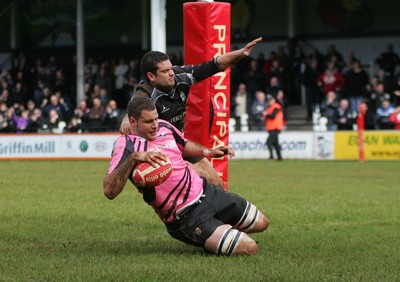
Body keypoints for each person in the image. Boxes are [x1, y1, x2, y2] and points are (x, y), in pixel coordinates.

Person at [103, 96, 269, 256]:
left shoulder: (164, 126)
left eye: (155, 119)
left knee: (262, 223)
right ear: (132, 122)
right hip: (186, 217)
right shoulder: (125, 145)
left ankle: (221, 231)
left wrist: (208, 151)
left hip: (207, 191)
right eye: (148, 122)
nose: (155, 125)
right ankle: (215, 233)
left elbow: (183, 144)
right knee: (250, 248)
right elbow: (109, 191)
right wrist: (133, 158)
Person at [119, 37, 262, 187]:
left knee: (217, 184)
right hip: (160, 152)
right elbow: (132, 113)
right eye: (165, 71)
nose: (171, 73)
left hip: (180, 144)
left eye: (171, 68)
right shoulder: (145, 94)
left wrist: (241, 52)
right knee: (200, 181)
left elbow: (214, 65)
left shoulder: (181, 76)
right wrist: (126, 120)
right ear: (151, 76)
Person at [262, 95, 284, 160]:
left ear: (274, 100)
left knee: (269, 142)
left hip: (275, 127)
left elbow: (273, 116)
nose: (269, 102)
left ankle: (271, 157)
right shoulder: (269, 108)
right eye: (268, 101)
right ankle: (280, 157)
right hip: (271, 128)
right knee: (275, 143)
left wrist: (266, 114)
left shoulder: (276, 107)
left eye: (270, 100)